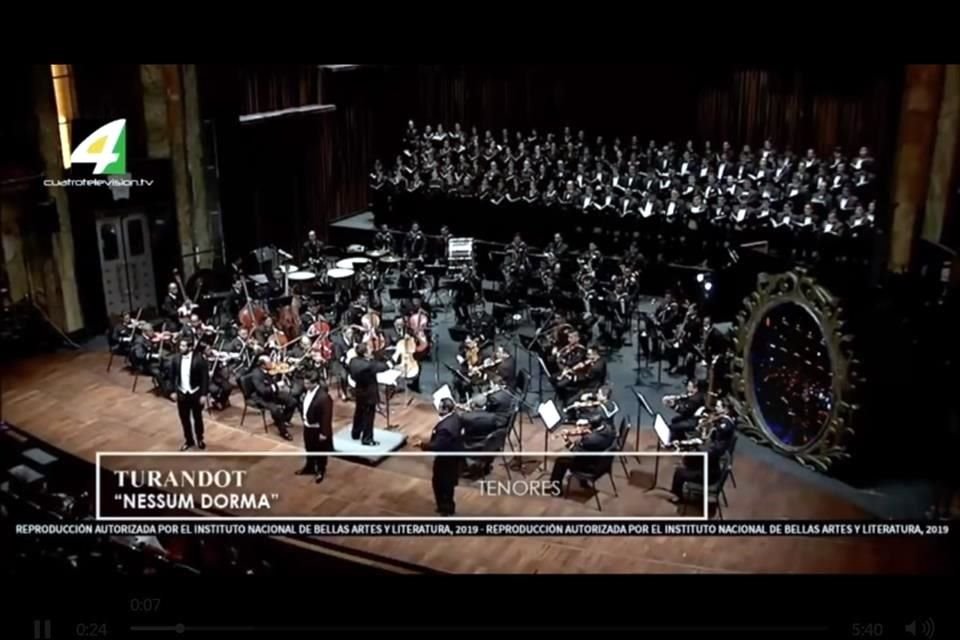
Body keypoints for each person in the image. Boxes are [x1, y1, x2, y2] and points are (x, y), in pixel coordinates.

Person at [670, 399, 737, 504]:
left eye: (718, 406)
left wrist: (697, 443)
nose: (715, 408)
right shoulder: (720, 437)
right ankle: (688, 467)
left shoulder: (722, 433)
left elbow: (707, 451)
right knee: (687, 459)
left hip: (709, 474)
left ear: (726, 409)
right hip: (712, 466)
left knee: (679, 473)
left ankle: (678, 497)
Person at [419, 398, 464, 516]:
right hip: (455, 456)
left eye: (439, 407)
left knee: (440, 483)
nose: (437, 409)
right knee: (449, 484)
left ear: (446, 409)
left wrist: (422, 445)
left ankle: (444, 508)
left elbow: (437, 446)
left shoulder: (444, 428)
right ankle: (449, 506)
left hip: (446, 460)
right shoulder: (456, 417)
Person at [549, 419, 617, 488]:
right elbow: (590, 432)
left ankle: (555, 488)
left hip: (592, 466)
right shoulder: (609, 429)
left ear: (591, 425)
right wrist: (571, 432)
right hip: (603, 463)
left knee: (560, 461)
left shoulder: (590, 440)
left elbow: (575, 450)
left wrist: (566, 439)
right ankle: (583, 482)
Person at [168, 338, 209, 451]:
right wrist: (172, 391)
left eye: (183, 346)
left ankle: (200, 438)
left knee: (197, 418)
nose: (181, 348)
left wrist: (204, 394)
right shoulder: (176, 359)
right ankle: (189, 440)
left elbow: (205, 378)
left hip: (195, 393)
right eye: (180, 345)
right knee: (184, 419)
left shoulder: (199, 359)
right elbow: (171, 376)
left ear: (190, 348)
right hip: (182, 394)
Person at [348, 343, 389, 445]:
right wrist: (396, 356)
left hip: (359, 392)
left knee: (358, 413)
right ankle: (367, 439)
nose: (371, 350)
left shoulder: (353, 361)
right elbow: (385, 367)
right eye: (369, 349)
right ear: (365, 354)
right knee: (368, 417)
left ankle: (355, 433)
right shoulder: (369, 365)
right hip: (369, 394)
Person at [297, 374, 334, 483]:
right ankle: (310, 467)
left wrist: (324, 433)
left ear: (315, 383)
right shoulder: (306, 392)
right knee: (309, 448)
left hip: (318, 429)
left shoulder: (324, 397)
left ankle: (321, 470)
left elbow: (326, 417)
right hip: (308, 426)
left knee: (320, 451)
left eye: (307, 383)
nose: (305, 385)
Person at [250, 355, 296, 440]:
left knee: (292, 401)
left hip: (272, 393)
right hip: (262, 398)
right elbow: (262, 391)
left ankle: (284, 420)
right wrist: (276, 386)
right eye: (269, 363)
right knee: (276, 410)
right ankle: (283, 432)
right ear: (263, 365)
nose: (272, 364)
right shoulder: (256, 375)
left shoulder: (267, 371)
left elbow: (271, 382)